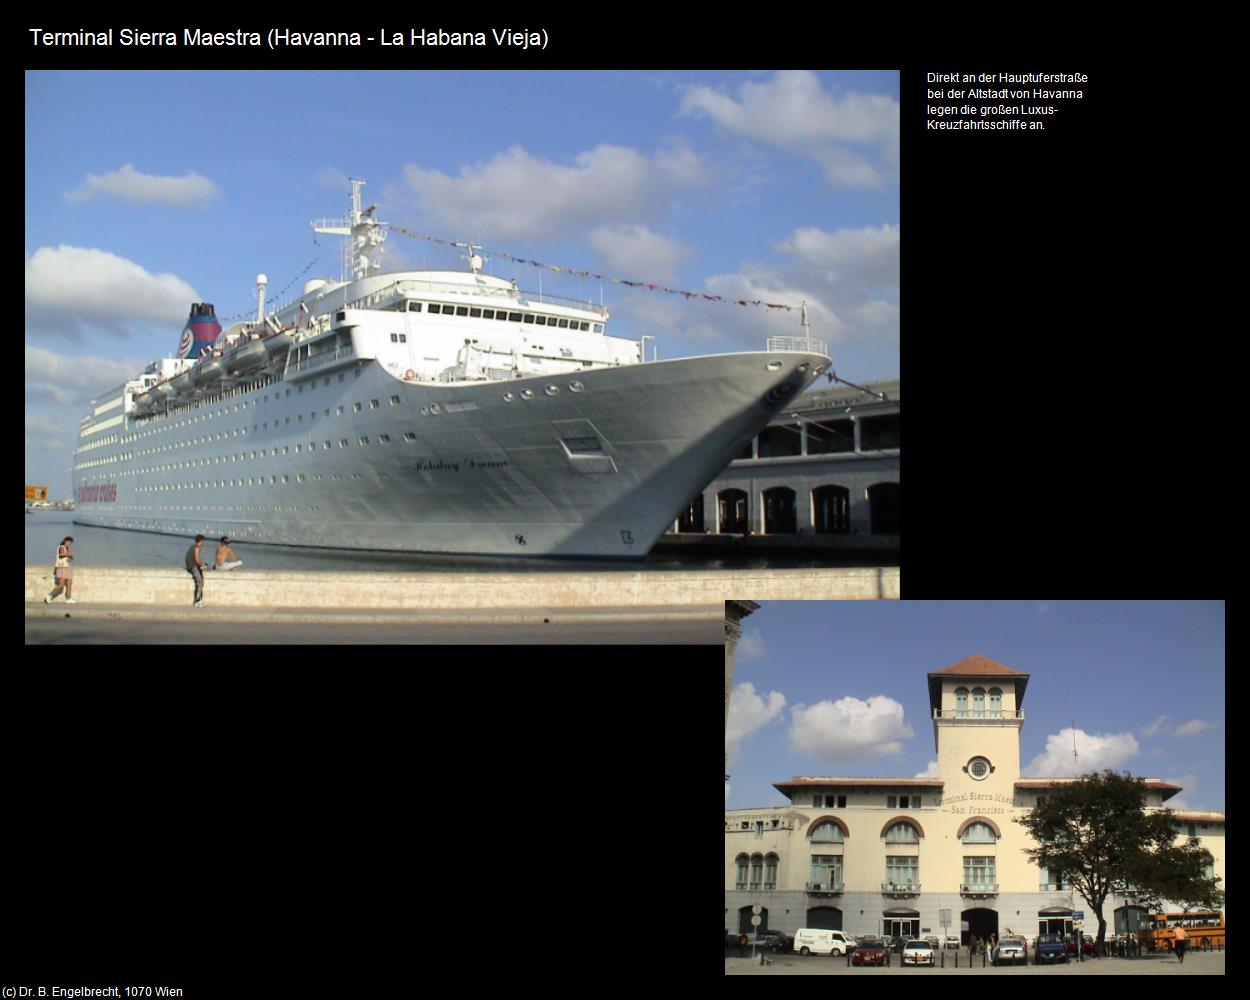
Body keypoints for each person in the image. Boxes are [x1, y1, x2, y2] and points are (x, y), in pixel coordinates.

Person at [44, 536, 77, 603]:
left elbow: (69, 558)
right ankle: (49, 596)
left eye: (70, 543)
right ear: (65, 541)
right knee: (61, 585)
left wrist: (70, 558)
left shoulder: (68, 549)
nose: (69, 544)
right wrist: (69, 554)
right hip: (61, 567)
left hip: (67, 567)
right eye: (68, 542)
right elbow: (61, 554)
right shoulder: (61, 547)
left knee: (69, 584)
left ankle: (68, 598)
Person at [185, 534, 208, 607]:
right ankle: (197, 601)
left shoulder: (193, 546)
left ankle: (199, 600)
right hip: (193, 566)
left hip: (191, 566)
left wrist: (202, 564)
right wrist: (203, 565)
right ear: (201, 541)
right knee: (200, 582)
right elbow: (197, 560)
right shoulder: (197, 548)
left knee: (200, 582)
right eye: (203, 541)